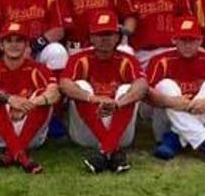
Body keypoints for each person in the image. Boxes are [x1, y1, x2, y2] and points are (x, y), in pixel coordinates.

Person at [59, 10, 147, 174]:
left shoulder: (127, 59)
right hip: (87, 131)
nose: (104, 39)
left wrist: (118, 103)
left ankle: (104, 150)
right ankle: (112, 150)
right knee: (80, 85)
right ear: (91, 37)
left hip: (119, 128)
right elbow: (64, 85)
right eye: (99, 34)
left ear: (117, 37)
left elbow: (142, 86)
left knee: (127, 90)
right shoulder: (79, 58)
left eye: (109, 34)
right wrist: (93, 98)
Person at [146, 16, 205, 166]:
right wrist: (171, 101)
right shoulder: (160, 61)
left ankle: (175, 138)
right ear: (174, 40)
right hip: (166, 120)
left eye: (192, 40)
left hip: (204, 117)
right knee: (166, 84)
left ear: (200, 41)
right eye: (183, 40)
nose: (187, 45)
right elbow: (146, 94)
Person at [0, 22, 60, 174]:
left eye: (19, 41)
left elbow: (55, 93)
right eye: (9, 41)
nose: (14, 45)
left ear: (27, 45)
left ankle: (11, 154)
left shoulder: (39, 68)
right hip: (0, 135)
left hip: (31, 132)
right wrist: (9, 99)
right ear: (1, 45)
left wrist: (30, 103)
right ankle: (22, 155)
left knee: (44, 95)